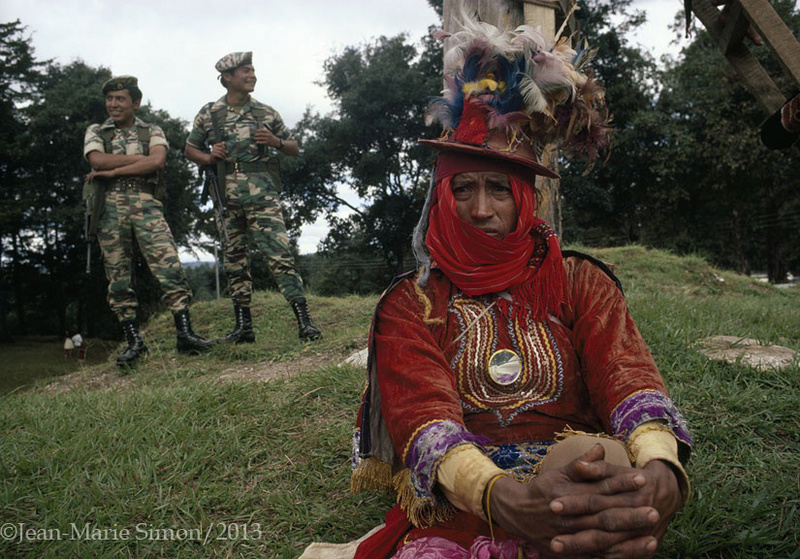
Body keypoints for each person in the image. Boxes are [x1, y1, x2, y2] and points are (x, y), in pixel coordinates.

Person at [348, 15, 692, 559]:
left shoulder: (581, 281)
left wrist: (660, 468)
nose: (481, 209)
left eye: (499, 190)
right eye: (462, 188)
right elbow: (424, 416)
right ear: (441, 196)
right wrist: (502, 498)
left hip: (579, 476)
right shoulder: (409, 303)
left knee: (600, 475)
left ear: (526, 198)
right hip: (463, 505)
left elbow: (626, 374)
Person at [185, 52, 321, 343]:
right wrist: (209, 157)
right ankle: (243, 328)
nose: (252, 75)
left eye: (253, 70)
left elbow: (294, 147)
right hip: (225, 196)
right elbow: (189, 149)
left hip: (263, 195)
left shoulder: (266, 113)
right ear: (227, 78)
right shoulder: (209, 113)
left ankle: (305, 322)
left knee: (280, 256)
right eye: (245, 71)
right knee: (235, 261)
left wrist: (277, 142)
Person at [84, 75, 213, 367]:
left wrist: (114, 170)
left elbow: (157, 162)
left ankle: (185, 334)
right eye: (110, 99)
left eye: (120, 99)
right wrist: (135, 164)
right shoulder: (96, 131)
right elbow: (96, 161)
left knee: (169, 266)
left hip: (147, 206)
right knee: (118, 275)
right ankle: (133, 341)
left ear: (135, 102)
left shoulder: (152, 130)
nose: (113, 105)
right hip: (109, 211)